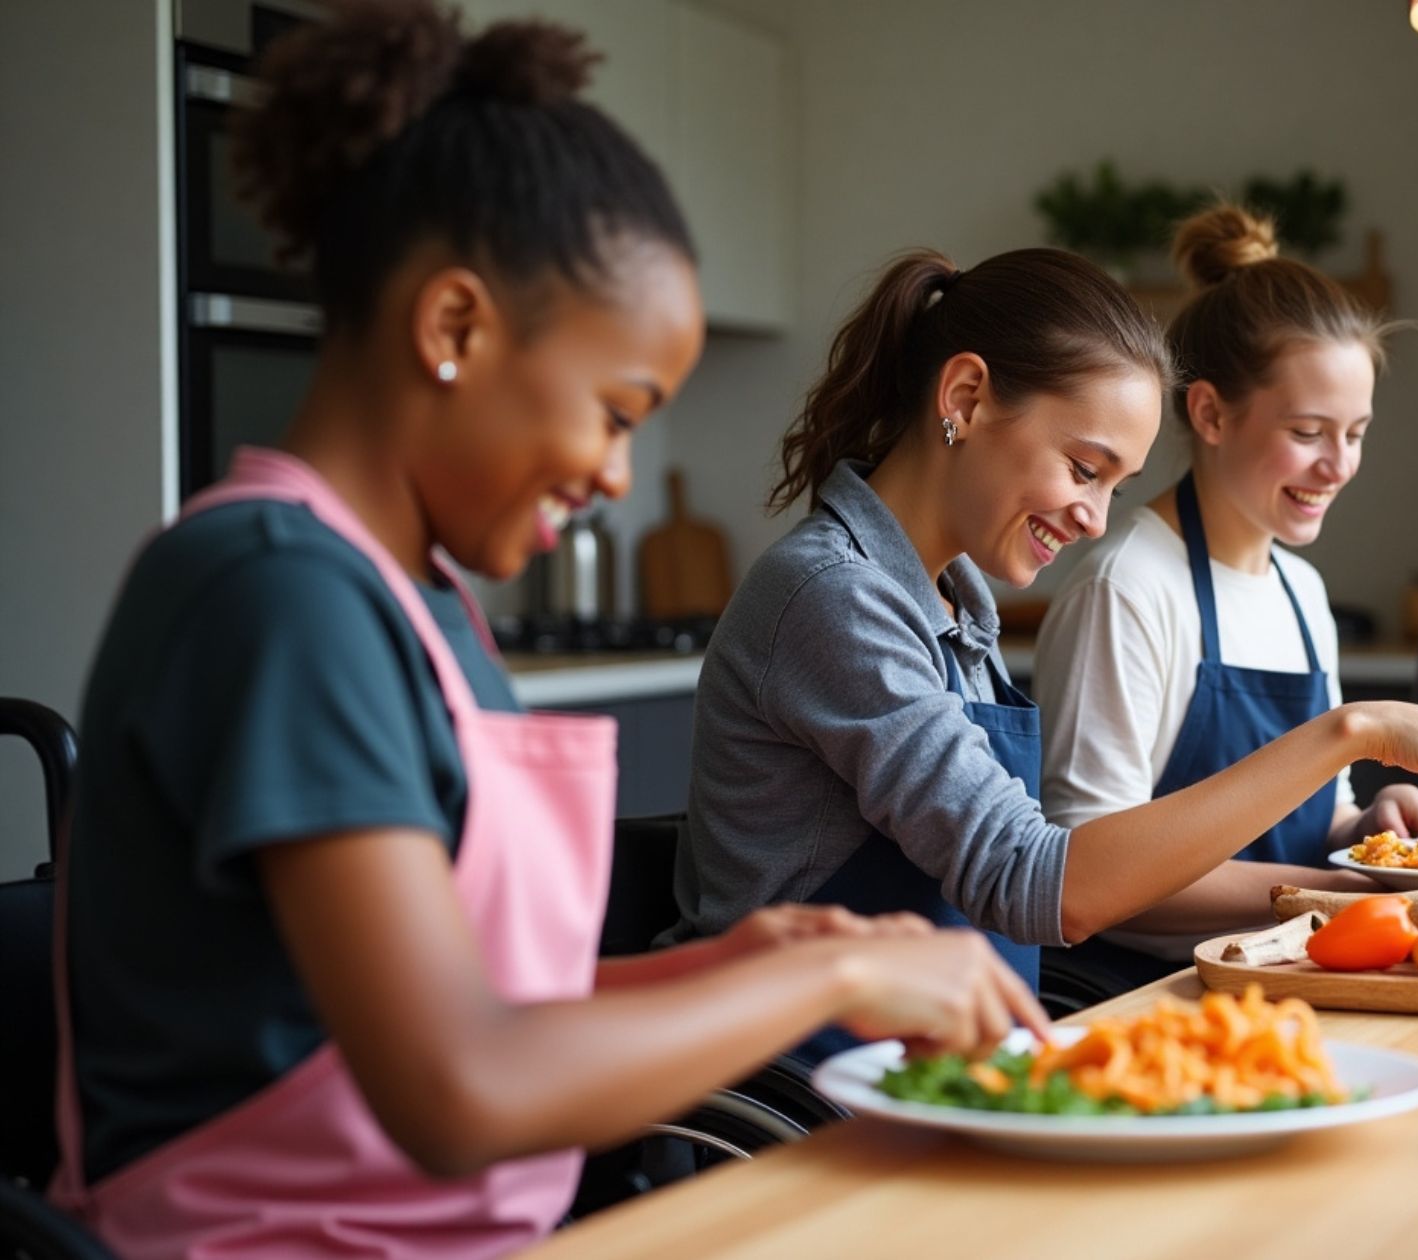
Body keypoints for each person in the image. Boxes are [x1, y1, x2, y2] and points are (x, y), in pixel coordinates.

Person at [53, 5, 1042, 1255]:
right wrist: (824, 982)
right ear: (455, 327)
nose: (622, 475)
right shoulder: (274, 592)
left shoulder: (415, 602)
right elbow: (458, 1086)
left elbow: (477, 1006)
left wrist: (742, 959)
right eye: (615, 411)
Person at [676, 243, 1418, 1048]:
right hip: (810, 1095)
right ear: (965, 399)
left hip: (952, 1068)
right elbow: (1043, 883)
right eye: (1084, 470)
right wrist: (1353, 733)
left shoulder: (949, 598)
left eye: (1114, 484)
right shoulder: (836, 596)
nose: (1094, 519)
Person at [1032, 206, 1418, 987]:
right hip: (1137, 997)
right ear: (1211, 413)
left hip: (1282, 978)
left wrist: (1373, 825)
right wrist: (1347, 892)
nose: (1338, 466)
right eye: (1311, 431)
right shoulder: (1129, 587)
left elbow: (1312, 825)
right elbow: (1085, 875)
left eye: (1356, 433)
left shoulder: (1300, 590)